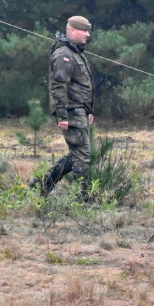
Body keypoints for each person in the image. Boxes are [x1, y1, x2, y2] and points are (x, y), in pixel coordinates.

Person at [34, 15, 95, 197]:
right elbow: (59, 86)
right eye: (84, 31)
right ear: (73, 30)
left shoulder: (76, 52)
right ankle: (82, 197)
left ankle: (43, 185)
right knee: (82, 156)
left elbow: (83, 85)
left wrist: (89, 110)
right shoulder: (64, 55)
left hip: (80, 111)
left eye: (88, 31)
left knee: (77, 154)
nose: (87, 35)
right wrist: (63, 115)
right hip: (71, 111)